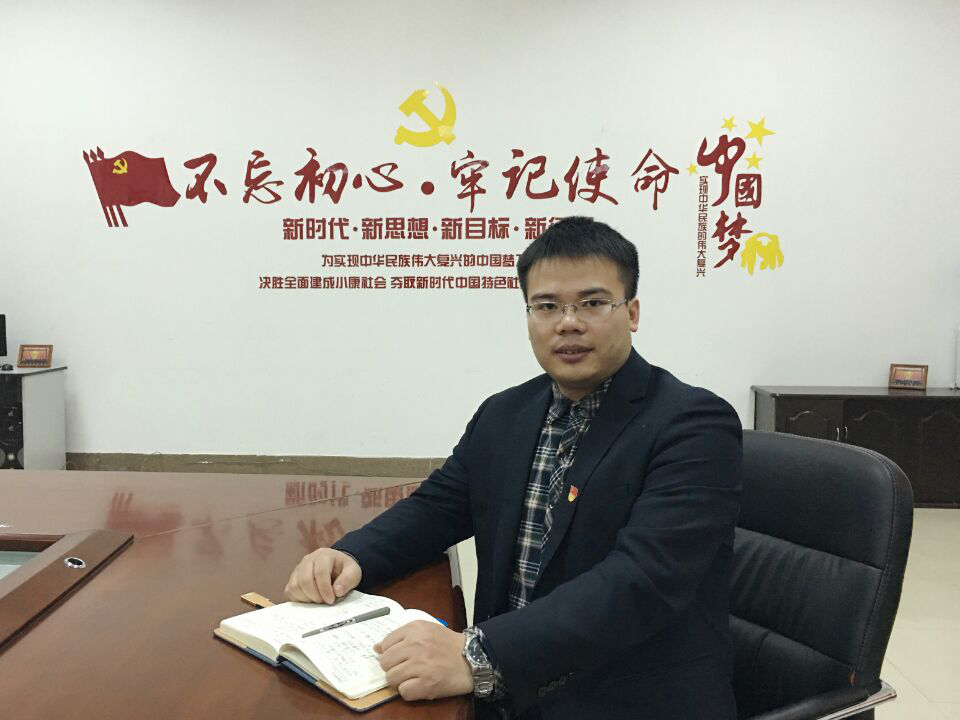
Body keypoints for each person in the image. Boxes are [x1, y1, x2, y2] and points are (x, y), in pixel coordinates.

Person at [285, 216, 742, 720]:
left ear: (631, 312)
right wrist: (353, 554)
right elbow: (438, 507)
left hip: (623, 697)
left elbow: (643, 579)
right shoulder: (505, 413)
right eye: (546, 306)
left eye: (592, 303)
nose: (568, 323)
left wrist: (477, 654)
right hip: (507, 695)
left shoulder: (694, 423)